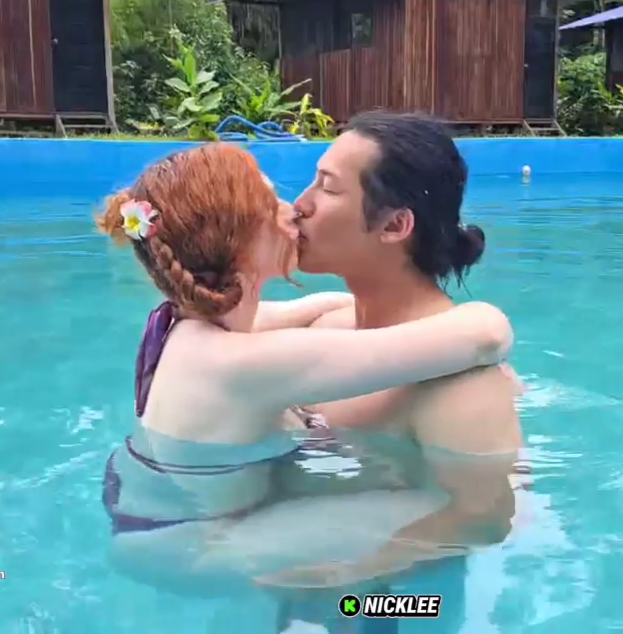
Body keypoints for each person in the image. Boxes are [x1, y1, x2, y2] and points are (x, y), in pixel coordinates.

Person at [96, 141, 514, 594]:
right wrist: (464, 343)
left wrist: (401, 314)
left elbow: (320, 306)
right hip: (195, 549)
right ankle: (351, 598)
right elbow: (487, 335)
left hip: (148, 516)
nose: (291, 209)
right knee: (456, 509)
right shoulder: (245, 365)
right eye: (269, 203)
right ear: (237, 241)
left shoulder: (182, 324)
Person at [259, 112, 526, 631]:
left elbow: (485, 519)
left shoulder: (460, 383)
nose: (300, 205)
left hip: (400, 600)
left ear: (394, 226)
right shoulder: (327, 324)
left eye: (328, 188)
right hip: (307, 569)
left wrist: (348, 577)